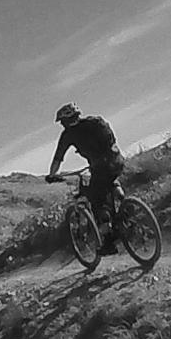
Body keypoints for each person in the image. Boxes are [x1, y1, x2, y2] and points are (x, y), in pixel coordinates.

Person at [45, 103, 126, 244]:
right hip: (117, 160)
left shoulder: (68, 135)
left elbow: (58, 158)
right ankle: (125, 202)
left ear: (65, 121)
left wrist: (52, 175)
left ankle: (108, 240)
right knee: (109, 179)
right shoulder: (95, 122)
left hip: (100, 167)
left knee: (97, 201)